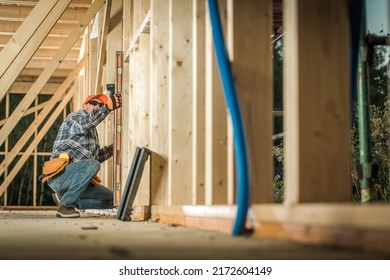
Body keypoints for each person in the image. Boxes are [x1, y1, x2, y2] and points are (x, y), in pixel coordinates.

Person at [47, 93, 122, 218]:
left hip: (75, 180)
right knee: (93, 165)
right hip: (60, 177)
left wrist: (115, 147)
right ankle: (65, 206)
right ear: (84, 105)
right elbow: (83, 124)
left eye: (101, 105)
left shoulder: (92, 132)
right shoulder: (74, 118)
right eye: (94, 103)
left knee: (114, 199)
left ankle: (65, 198)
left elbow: (96, 157)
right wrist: (107, 107)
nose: (98, 106)